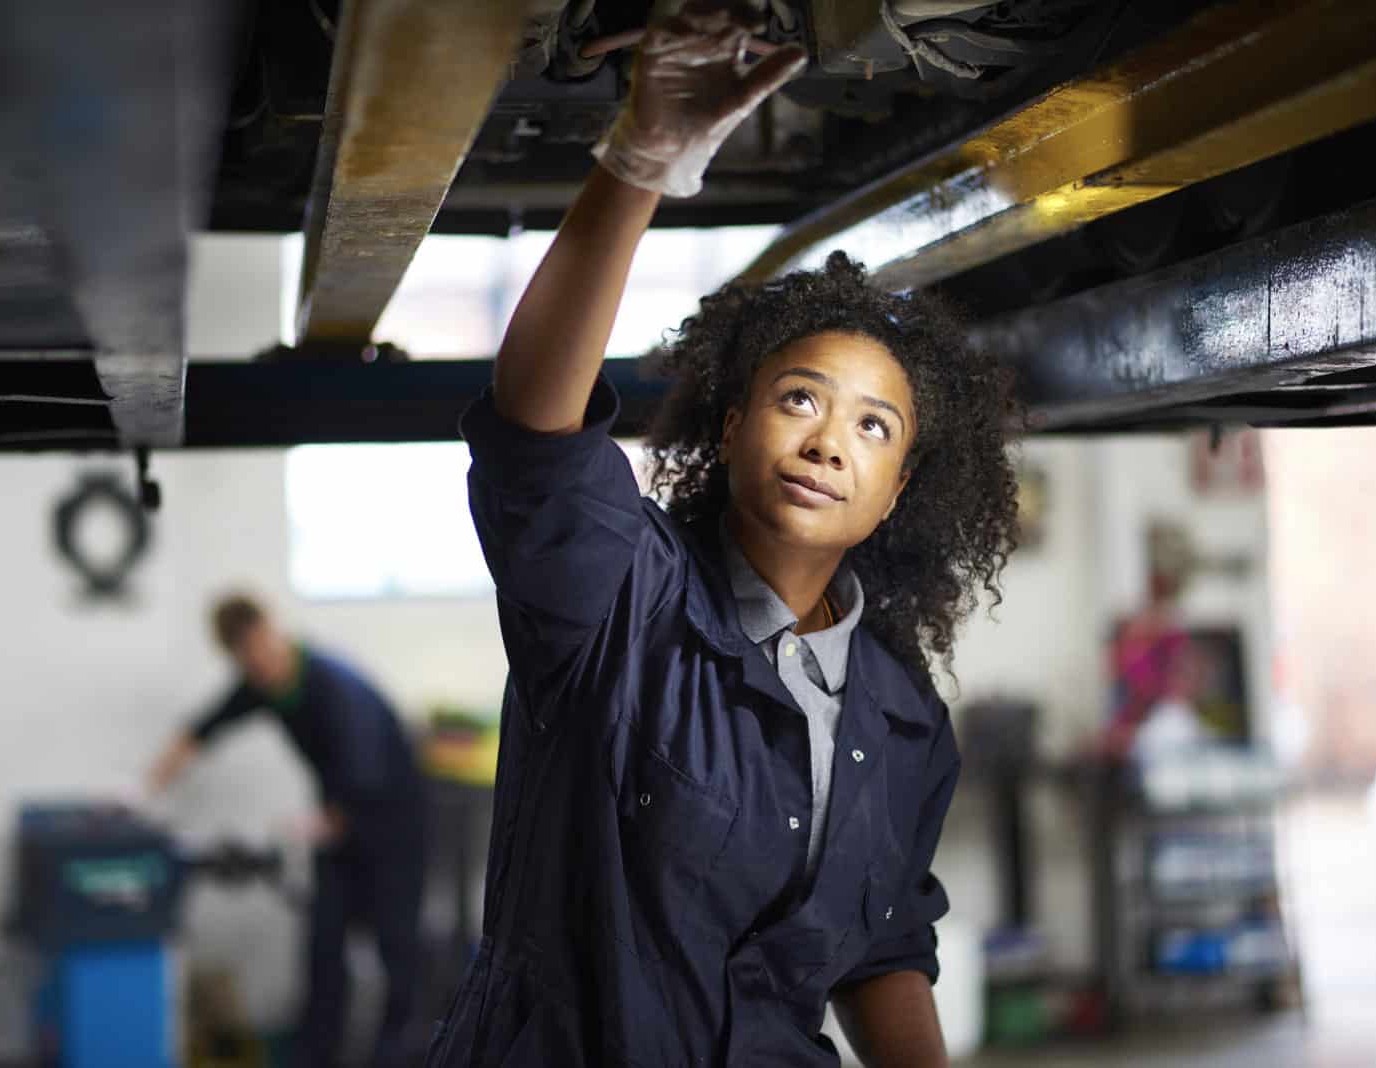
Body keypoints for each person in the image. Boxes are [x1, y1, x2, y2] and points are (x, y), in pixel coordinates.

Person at [426, 3, 1019, 1065]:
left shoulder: (900, 718)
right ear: (733, 423)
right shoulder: (621, 600)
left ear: (896, 490)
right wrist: (642, 158)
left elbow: (881, 947)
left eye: (872, 427)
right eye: (799, 400)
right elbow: (534, 429)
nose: (829, 440)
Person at [148, 594, 427, 1068]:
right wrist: (142, 794)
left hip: (392, 821)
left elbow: (366, 776)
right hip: (336, 822)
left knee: (394, 943)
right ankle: (316, 1053)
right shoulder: (262, 683)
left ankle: (399, 1053)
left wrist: (309, 827)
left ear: (272, 631)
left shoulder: (332, 685)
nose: (259, 664)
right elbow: (199, 731)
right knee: (324, 941)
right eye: (246, 658)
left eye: (262, 649)